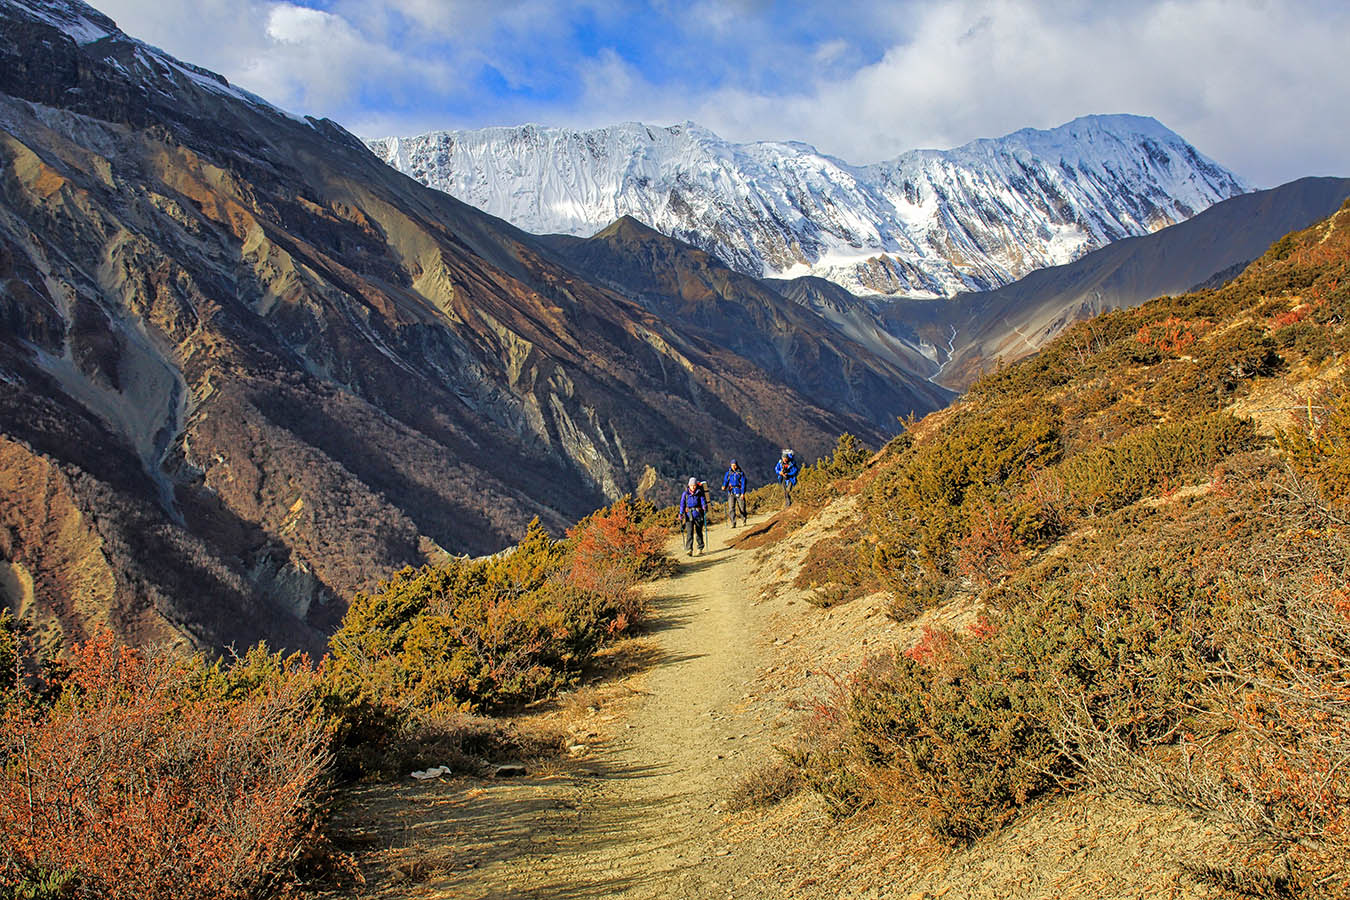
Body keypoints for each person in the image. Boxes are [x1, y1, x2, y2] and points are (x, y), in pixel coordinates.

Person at [679, 476, 707, 555]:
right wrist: (681, 513)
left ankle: (700, 547)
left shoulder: (699, 493)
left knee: (699, 532)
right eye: (691, 485)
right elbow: (682, 504)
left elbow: (703, 501)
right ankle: (689, 549)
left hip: (698, 515)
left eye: (694, 485)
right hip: (689, 516)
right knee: (689, 533)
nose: (693, 487)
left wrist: (704, 506)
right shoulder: (685, 494)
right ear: (689, 485)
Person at [721, 459, 747, 527]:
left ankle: (743, 519)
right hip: (731, 492)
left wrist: (743, 493)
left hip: (739, 491)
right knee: (731, 508)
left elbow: (743, 483)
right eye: (732, 465)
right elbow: (725, 481)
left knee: (742, 507)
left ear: (736, 465)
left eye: (734, 465)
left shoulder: (741, 473)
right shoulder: (728, 473)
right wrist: (724, 486)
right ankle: (733, 523)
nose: (733, 466)